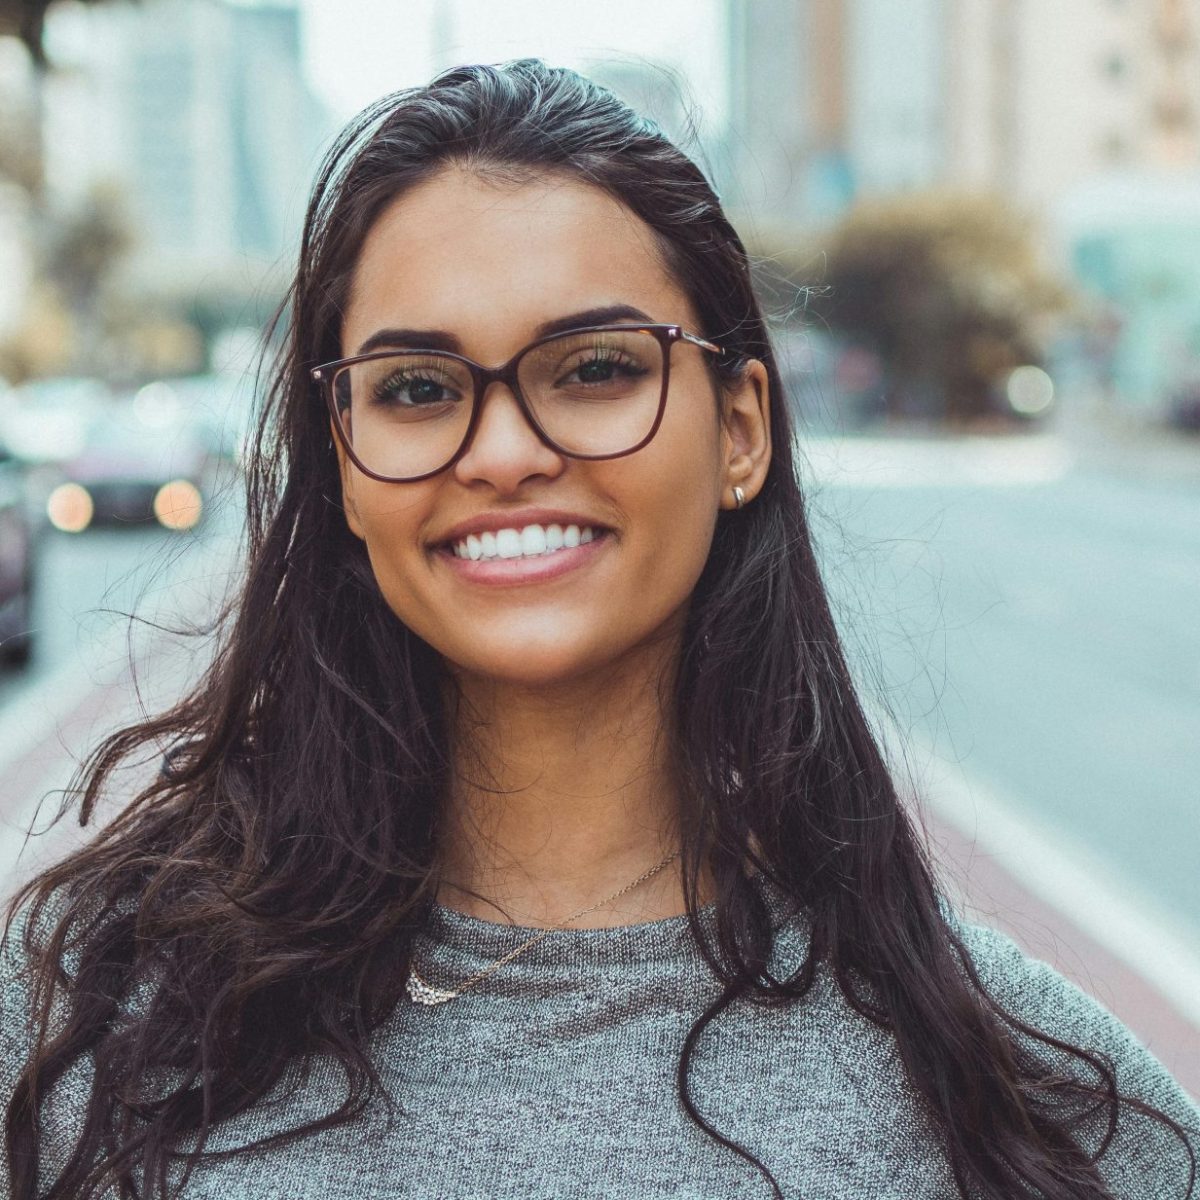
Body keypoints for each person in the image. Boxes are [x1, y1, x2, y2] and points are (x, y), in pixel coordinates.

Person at [2, 59, 1197, 1200]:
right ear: (344, 462)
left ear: (740, 431)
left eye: (596, 368)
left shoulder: (1026, 1098)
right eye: (418, 387)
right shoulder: (76, 1013)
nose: (508, 451)